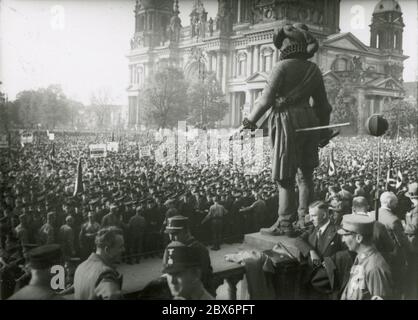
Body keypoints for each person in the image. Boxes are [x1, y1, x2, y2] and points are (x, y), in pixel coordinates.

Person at [242, 23, 332, 237]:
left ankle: (285, 223)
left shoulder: (280, 68)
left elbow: (265, 99)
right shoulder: (314, 69)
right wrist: (323, 133)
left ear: (285, 47)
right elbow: (323, 105)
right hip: (309, 121)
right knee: (306, 175)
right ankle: (305, 219)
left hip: (287, 122)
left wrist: (250, 122)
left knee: (285, 177)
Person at [339, 214, 394, 300]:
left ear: (358, 238)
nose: (343, 240)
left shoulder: (374, 267)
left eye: (345, 235)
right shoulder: (361, 258)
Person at [165, 215, 214, 295]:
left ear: (186, 232)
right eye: (170, 234)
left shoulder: (197, 249)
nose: (171, 238)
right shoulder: (177, 248)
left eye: (175, 234)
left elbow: (203, 276)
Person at [73, 227, 124, 299]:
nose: (123, 250)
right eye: (121, 247)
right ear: (107, 250)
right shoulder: (105, 273)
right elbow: (112, 295)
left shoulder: (80, 267)